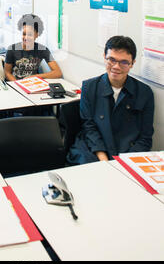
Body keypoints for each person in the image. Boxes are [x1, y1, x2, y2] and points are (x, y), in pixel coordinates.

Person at [66, 36, 155, 166]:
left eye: (124, 62)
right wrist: (104, 161)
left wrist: (124, 164)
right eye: (111, 60)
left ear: (132, 63)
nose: (116, 67)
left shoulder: (144, 92)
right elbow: (89, 128)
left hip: (127, 155)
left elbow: (145, 137)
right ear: (104, 57)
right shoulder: (89, 87)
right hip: (93, 150)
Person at [4, 14, 62, 81]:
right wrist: (18, 84)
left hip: (32, 85)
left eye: (30, 34)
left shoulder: (43, 50)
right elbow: (7, 73)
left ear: (37, 34)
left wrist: (36, 76)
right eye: (24, 34)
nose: (26, 38)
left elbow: (58, 73)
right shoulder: (11, 49)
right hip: (15, 84)